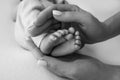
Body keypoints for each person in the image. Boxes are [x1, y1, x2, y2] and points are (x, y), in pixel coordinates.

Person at [25, 4, 120, 80]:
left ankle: (55, 46)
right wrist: (105, 29)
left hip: (53, 27)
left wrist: (109, 73)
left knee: (47, 27)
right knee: (33, 19)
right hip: (38, 26)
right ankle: (46, 42)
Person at [15, 0, 82, 57]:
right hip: (29, 34)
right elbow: (14, 15)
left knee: (63, 19)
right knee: (28, 4)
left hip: (54, 32)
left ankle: (57, 49)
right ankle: (43, 41)